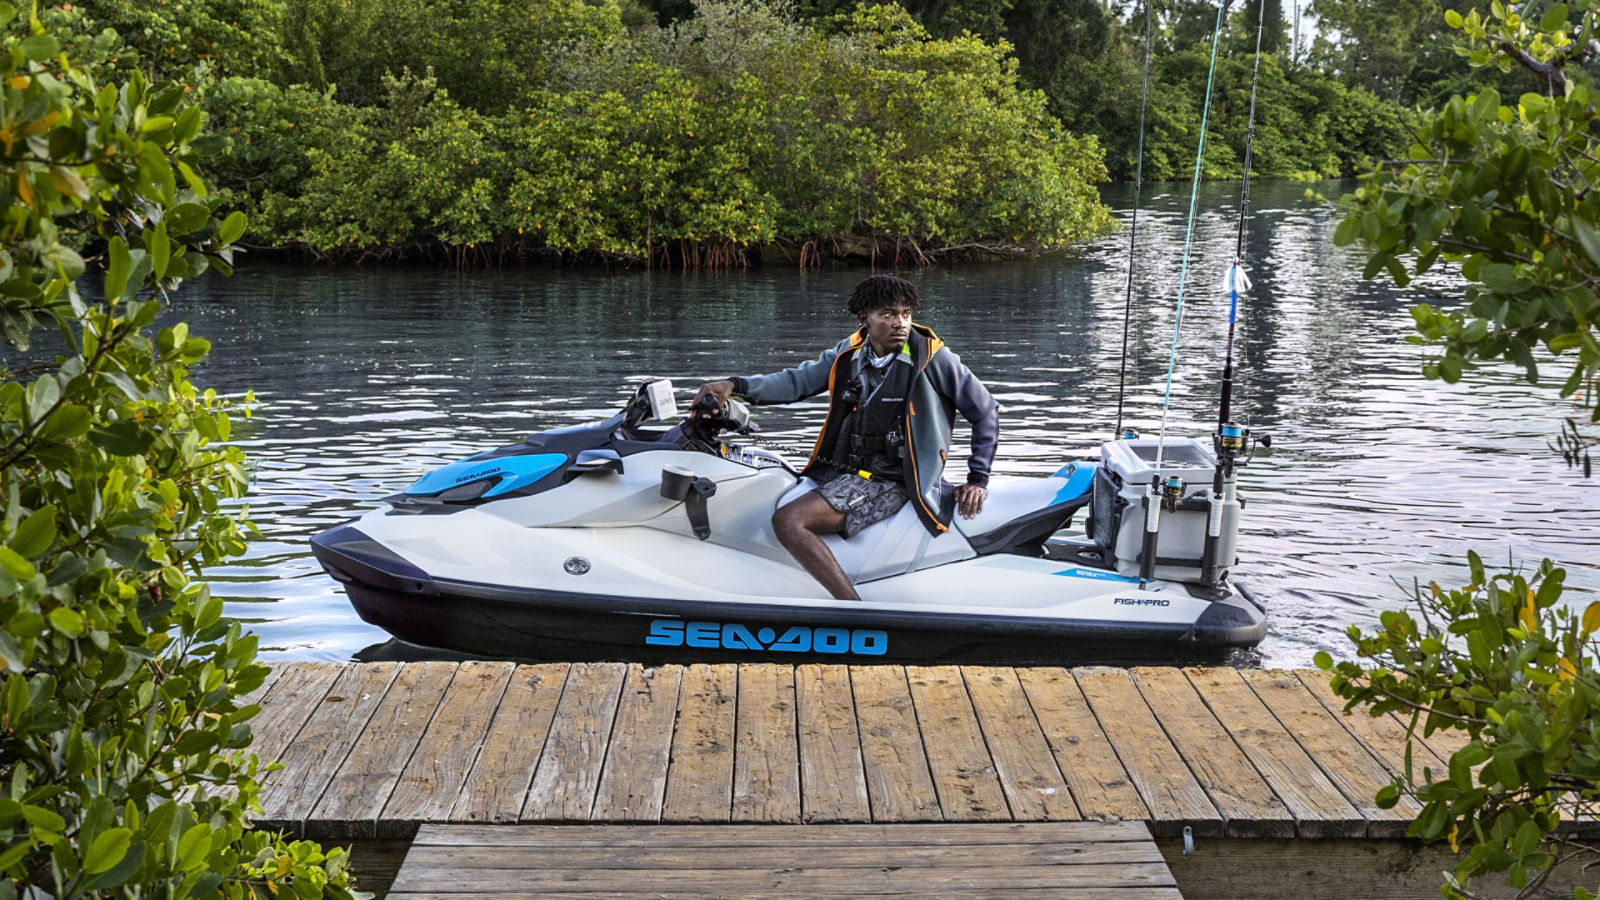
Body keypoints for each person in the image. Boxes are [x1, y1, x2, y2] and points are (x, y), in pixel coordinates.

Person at [697, 274, 998, 601]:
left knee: (789, 520)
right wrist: (736, 385)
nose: (900, 323)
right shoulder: (849, 353)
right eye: (888, 314)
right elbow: (797, 382)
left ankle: (853, 609)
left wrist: (977, 479)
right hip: (845, 472)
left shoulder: (932, 357)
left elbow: (985, 411)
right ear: (864, 319)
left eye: (905, 314)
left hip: (892, 480)